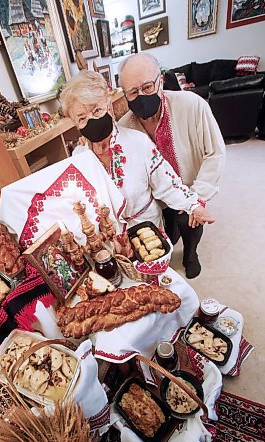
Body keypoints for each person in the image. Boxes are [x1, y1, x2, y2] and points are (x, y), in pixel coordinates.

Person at [59, 70, 214, 232]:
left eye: (97, 110)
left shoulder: (138, 142)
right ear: (76, 124)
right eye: (82, 118)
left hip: (146, 226)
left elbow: (167, 184)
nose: (92, 121)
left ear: (109, 107)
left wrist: (193, 205)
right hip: (110, 235)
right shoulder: (79, 157)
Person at [118, 53, 225, 278]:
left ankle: (191, 253)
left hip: (189, 187)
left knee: (188, 220)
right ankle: (172, 228)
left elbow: (215, 153)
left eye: (147, 87)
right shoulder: (123, 127)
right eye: (133, 92)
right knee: (160, 235)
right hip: (155, 197)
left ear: (161, 81)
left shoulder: (192, 105)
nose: (141, 96)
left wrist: (198, 196)